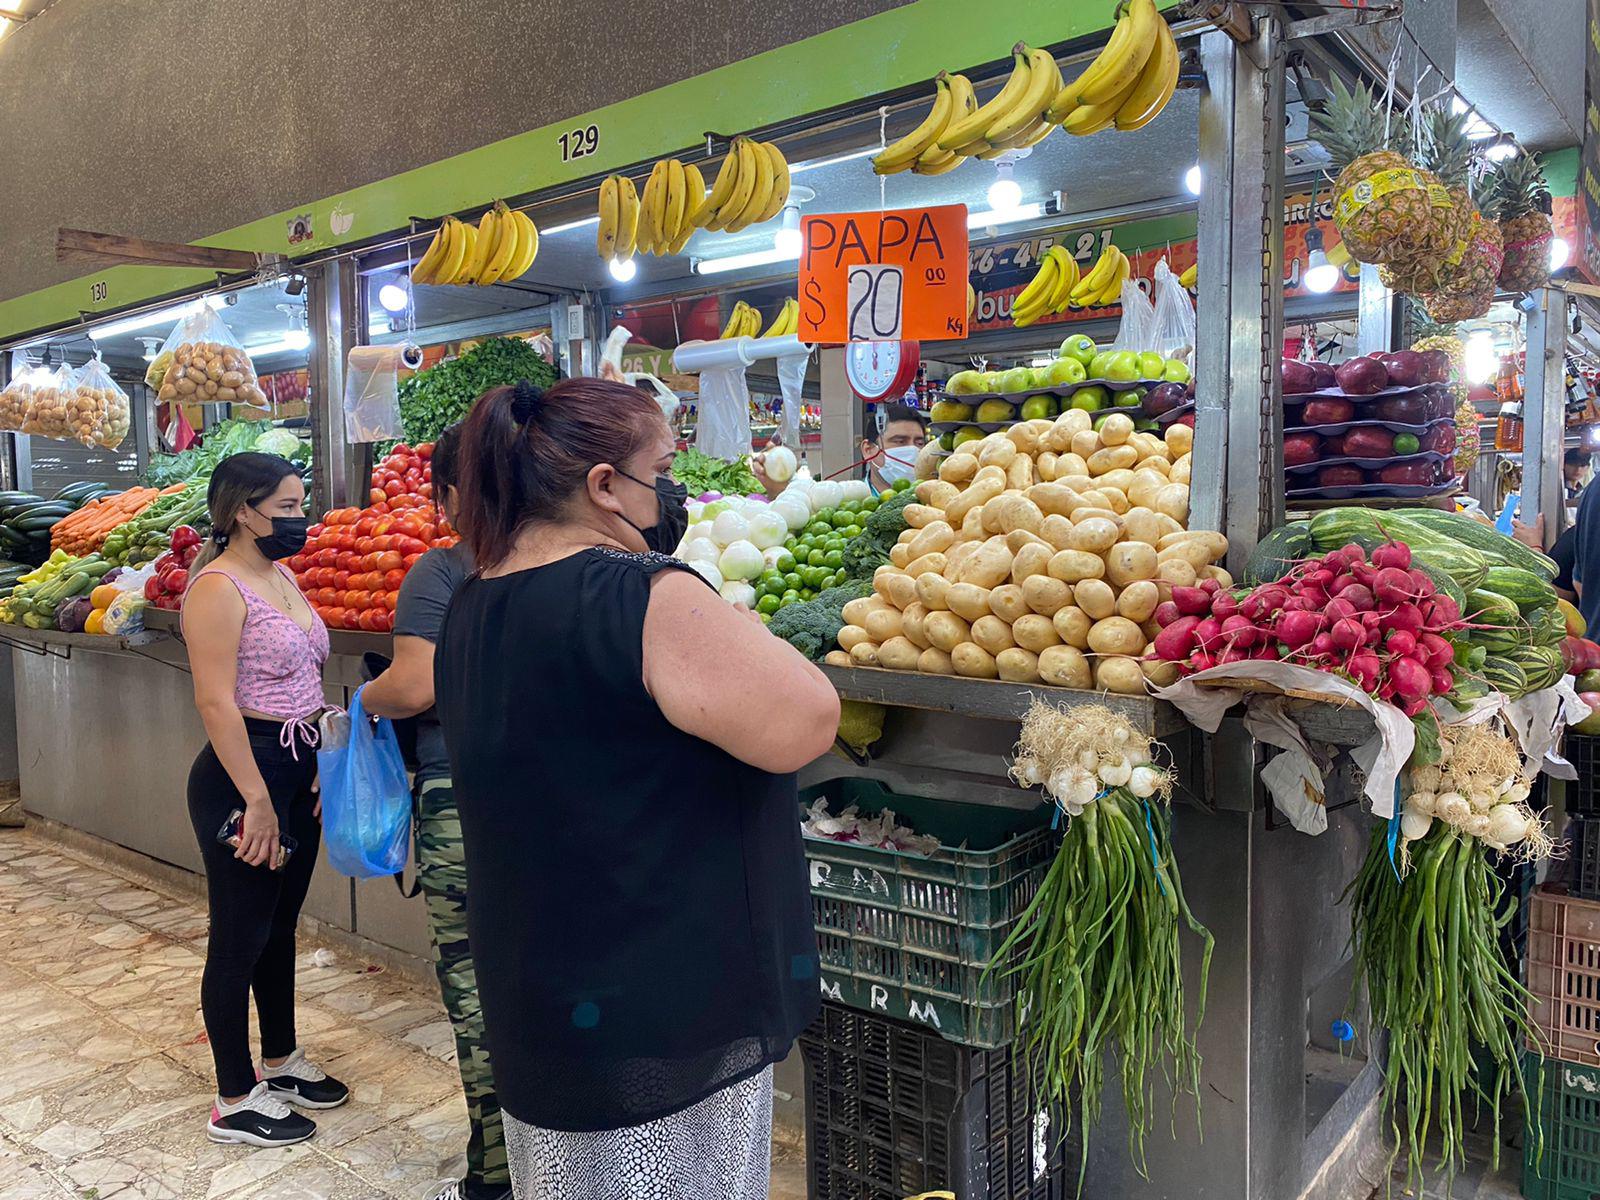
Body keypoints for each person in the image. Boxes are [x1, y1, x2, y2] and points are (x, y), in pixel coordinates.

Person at [433, 377, 838, 1199]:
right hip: (661, 1004)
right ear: (604, 486)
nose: (672, 488)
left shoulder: (474, 598)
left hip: (545, 982)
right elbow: (807, 721)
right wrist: (744, 634)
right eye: (661, 468)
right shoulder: (642, 593)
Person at [361, 427, 511, 1200]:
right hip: (557, 801)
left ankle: (495, 1180)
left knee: (479, 997)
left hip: (465, 804)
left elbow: (414, 686)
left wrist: (364, 697)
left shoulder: (446, 568)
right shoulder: (575, 564)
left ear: (451, 493)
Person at [181, 452, 348, 1148]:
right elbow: (215, 703)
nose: (299, 519)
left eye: (299, 505)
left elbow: (305, 678)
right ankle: (232, 1098)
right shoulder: (216, 589)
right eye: (286, 508)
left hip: (295, 766)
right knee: (240, 936)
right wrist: (257, 800)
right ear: (243, 512)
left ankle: (278, 1060)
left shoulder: (279, 575)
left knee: (280, 926)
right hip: (242, 777)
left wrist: (322, 755)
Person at [860, 401, 927, 493]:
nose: (913, 450)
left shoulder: (935, 498)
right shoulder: (845, 498)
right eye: (900, 442)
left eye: (919, 443)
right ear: (868, 450)